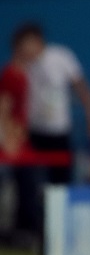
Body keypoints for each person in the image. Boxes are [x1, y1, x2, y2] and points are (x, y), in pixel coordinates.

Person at [19, 22, 90, 184]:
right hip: (33, 131)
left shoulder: (60, 56)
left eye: (26, 43)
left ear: (37, 40)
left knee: (61, 178)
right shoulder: (23, 65)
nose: (24, 49)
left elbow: (81, 87)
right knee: (30, 178)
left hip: (58, 130)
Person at [0, 25, 42, 239]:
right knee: (20, 186)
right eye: (31, 42)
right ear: (19, 45)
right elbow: (4, 107)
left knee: (27, 185)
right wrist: (8, 139)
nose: (37, 48)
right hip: (13, 141)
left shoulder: (26, 74)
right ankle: (18, 232)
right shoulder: (11, 74)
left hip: (21, 138)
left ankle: (23, 231)